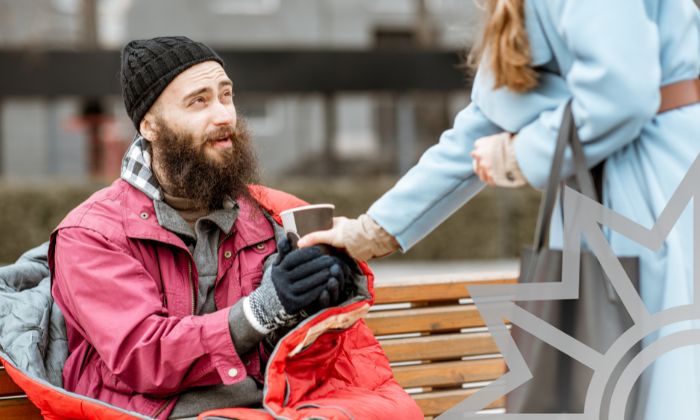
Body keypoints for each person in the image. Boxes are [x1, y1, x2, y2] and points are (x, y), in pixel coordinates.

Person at [299, 1, 700, 418]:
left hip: (651, 185)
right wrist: (369, 231)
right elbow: (482, 124)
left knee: (660, 379)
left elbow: (620, 93)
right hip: (619, 187)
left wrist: (519, 154)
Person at [47, 36, 415, 420]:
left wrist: (315, 306)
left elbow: (306, 358)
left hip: (273, 405)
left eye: (227, 95)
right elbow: (144, 355)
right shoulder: (90, 234)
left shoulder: (269, 213)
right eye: (199, 101)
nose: (224, 115)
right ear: (151, 126)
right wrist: (262, 310)